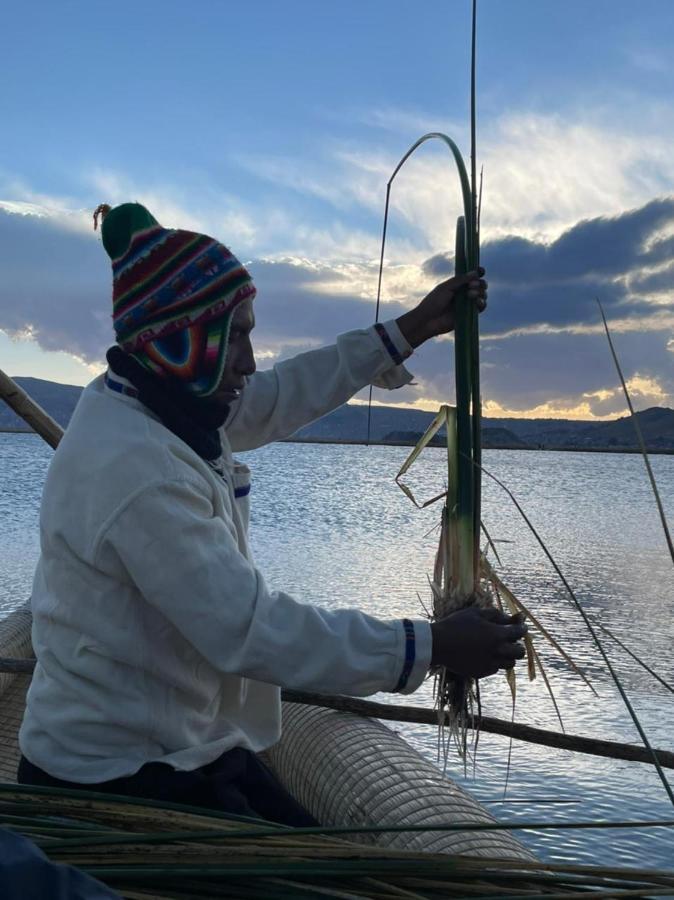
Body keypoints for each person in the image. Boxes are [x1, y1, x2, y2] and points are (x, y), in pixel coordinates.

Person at [18, 203, 526, 825]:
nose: (249, 361)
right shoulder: (135, 467)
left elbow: (282, 393)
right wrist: (431, 645)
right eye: (234, 336)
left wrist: (409, 329)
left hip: (184, 741)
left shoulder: (166, 397)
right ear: (181, 339)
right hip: (113, 771)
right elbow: (248, 629)